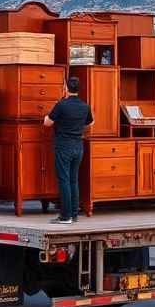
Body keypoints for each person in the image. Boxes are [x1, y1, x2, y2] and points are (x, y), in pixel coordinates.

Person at [43, 76, 94, 224]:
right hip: (78, 146)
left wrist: (49, 114)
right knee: (73, 180)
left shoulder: (61, 105)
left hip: (63, 146)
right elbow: (91, 122)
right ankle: (74, 214)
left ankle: (65, 217)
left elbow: (47, 123)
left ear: (66, 88)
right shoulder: (85, 106)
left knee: (64, 180)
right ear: (78, 89)